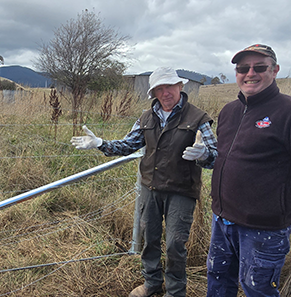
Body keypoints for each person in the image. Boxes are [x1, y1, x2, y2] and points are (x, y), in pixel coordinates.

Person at [71, 67, 218, 297]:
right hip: (150, 188)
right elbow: (128, 145)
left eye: (169, 86)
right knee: (149, 240)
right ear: (154, 93)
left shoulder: (198, 118)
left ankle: (175, 291)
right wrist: (100, 143)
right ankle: (151, 283)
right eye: (159, 88)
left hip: (181, 190)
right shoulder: (146, 118)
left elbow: (215, 158)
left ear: (180, 86)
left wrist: (203, 155)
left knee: (174, 245)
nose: (165, 92)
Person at [206, 44, 291, 296]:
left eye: (259, 67)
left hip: (263, 229)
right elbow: (227, 159)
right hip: (222, 220)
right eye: (243, 68)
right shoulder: (229, 111)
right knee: (219, 280)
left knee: (258, 289)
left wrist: (290, 205)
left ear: (274, 70)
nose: (250, 73)